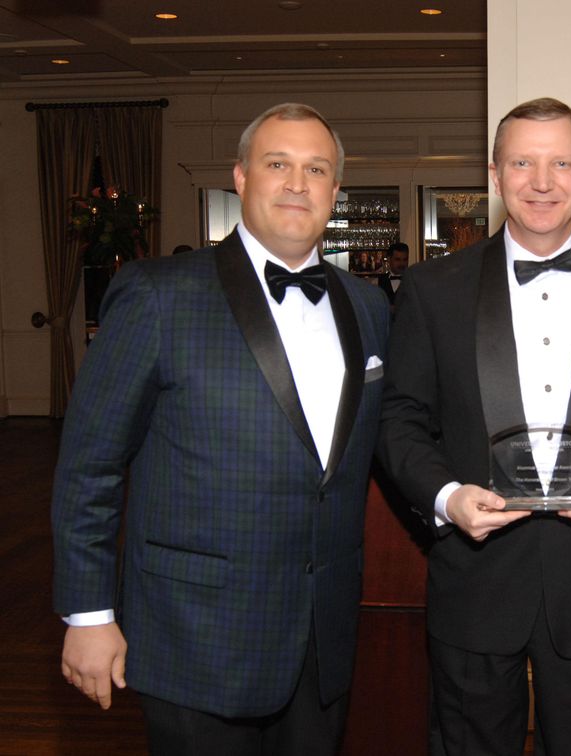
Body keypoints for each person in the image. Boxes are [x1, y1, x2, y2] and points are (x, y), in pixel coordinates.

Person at [52, 102, 389, 755]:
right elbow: (88, 468)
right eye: (278, 164)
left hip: (323, 639)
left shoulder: (368, 305)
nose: (298, 183)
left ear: (335, 192)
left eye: (316, 169)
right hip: (196, 637)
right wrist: (89, 615)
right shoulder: (157, 295)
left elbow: (385, 444)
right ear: (240, 178)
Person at [377, 97, 571, 756]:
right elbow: (400, 420)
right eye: (522, 162)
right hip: (474, 576)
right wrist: (445, 497)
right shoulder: (433, 289)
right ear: (495, 174)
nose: (542, 182)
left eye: (560, 163)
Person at [377, 241, 409, 306]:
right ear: (389, 259)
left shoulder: (412, 282)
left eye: (405, 260)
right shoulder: (379, 282)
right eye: (397, 259)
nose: (402, 263)